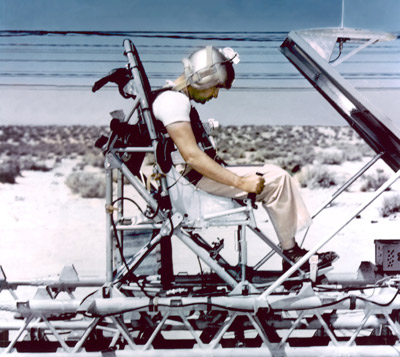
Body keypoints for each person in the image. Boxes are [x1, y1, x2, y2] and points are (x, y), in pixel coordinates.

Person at [152, 45, 338, 272]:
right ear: (202, 77)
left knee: (272, 171)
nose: (215, 94)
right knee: (277, 180)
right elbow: (192, 156)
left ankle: (292, 252)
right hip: (193, 182)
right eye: (215, 88)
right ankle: (292, 255)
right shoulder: (174, 102)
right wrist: (241, 182)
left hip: (190, 179)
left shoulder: (172, 99)